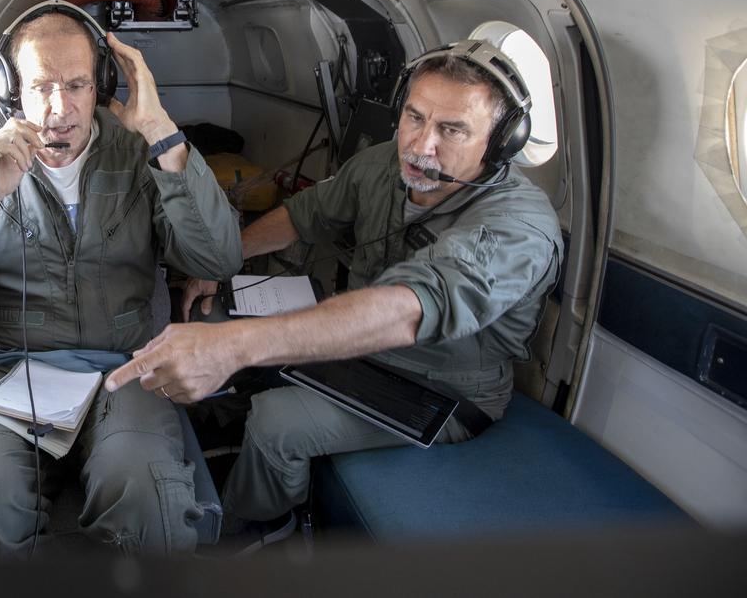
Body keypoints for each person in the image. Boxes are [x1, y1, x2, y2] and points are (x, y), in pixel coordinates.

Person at [105, 39, 563, 536]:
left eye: (451, 130)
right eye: (414, 117)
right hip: (364, 356)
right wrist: (223, 263)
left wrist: (233, 346)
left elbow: (410, 308)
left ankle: (257, 527)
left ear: (500, 143)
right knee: (220, 323)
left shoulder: (517, 228)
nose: (420, 145)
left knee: (277, 423)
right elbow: (304, 216)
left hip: (442, 391)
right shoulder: (386, 164)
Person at [0, 0, 242, 557]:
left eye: (77, 85)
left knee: (150, 507)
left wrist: (160, 130)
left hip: (127, 370)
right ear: (12, 91)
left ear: (101, 86)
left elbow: (218, 259)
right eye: (41, 86)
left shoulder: (144, 158)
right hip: (8, 373)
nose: (59, 108)